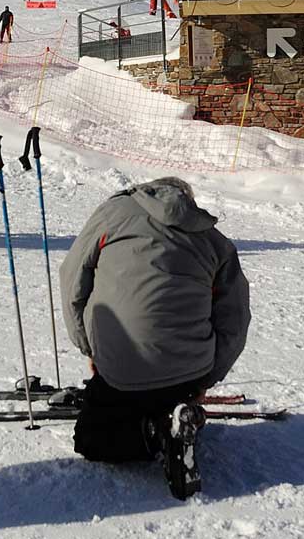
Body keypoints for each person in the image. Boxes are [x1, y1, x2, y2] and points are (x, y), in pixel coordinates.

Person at [60, 178, 250, 500]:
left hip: (121, 365)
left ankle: (156, 433)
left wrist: (90, 347)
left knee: (91, 439)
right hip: (189, 371)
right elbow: (235, 320)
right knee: (168, 400)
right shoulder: (215, 241)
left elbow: (72, 281)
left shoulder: (113, 215)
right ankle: (175, 421)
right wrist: (207, 379)